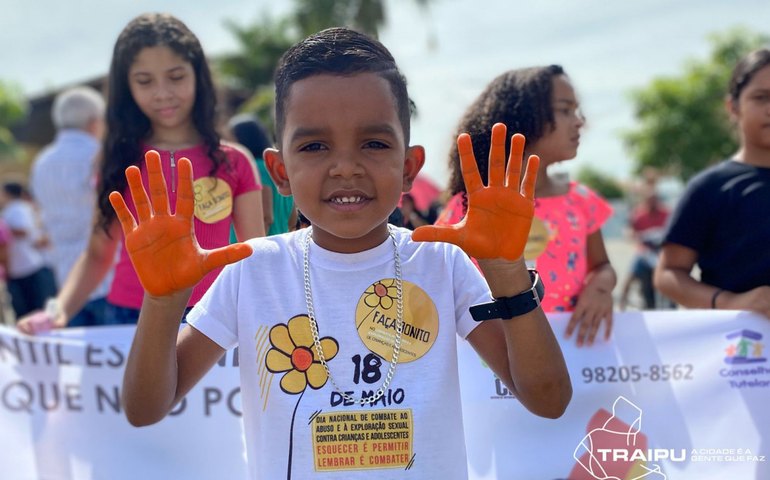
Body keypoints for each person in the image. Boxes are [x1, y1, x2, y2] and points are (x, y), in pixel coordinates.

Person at [117, 27, 571, 479]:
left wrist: (507, 273)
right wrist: (163, 300)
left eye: (374, 143)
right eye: (314, 146)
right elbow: (145, 408)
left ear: (409, 167)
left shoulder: (439, 263)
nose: (346, 167)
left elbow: (548, 399)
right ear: (280, 172)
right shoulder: (253, 270)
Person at [17, 13, 265, 334]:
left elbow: (256, 259)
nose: (162, 93)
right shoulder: (118, 158)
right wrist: (53, 311)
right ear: (126, 86)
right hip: (127, 321)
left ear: (198, 76)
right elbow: (96, 256)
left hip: (214, 320)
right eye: (145, 81)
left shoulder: (236, 161)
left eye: (176, 77)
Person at [437, 65, 616, 347]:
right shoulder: (470, 206)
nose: (579, 121)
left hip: (578, 354)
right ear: (522, 116)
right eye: (565, 110)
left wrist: (601, 287)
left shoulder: (580, 200)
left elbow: (603, 265)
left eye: (576, 110)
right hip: (495, 366)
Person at [655, 48, 770, 319]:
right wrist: (729, 301)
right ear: (733, 107)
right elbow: (668, 274)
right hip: (741, 353)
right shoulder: (710, 188)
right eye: (761, 97)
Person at [29, 86, 113, 327]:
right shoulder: (100, 155)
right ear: (94, 121)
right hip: (108, 278)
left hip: (65, 281)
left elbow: (40, 214)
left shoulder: (41, 163)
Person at [228, 113, 297, 236]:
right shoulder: (278, 167)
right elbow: (292, 219)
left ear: (243, 139)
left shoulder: (255, 168)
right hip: (280, 244)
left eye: (231, 139)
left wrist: (257, 252)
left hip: (256, 249)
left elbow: (265, 217)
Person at [1, 182, 57, 318]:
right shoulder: (17, 209)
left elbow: (24, 231)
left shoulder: (17, 208)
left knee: (35, 311)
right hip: (22, 268)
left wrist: (5, 232)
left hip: (28, 267)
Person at [619, 188, 670, 310]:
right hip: (644, 251)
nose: (652, 203)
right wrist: (633, 235)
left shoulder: (666, 214)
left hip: (662, 251)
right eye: (649, 200)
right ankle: (622, 301)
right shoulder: (639, 214)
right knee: (631, 273)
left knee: (673, 273)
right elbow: (629, 230)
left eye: (654, 199)